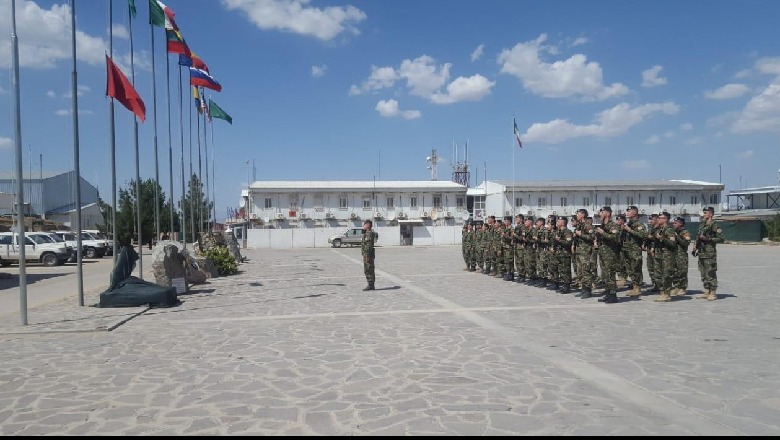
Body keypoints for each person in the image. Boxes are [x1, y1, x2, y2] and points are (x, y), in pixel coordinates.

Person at [695, 206, 724, 300]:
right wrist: (695, 245)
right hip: (701, 252)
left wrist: (709, 239)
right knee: (703, 272)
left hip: (709, 253)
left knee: (710, 272)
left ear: (711, 214)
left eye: (705, 213)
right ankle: (706, 290)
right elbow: (698, 236)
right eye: (703, 212)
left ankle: (713, 292)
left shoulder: (714, 225)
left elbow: (721, 238)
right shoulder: (702, 224)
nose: (704, 214)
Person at [593, 206, 621, 304]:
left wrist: (603, 233)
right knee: (605, 275)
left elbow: (616, 238)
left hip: (610, 253)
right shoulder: (601, 225)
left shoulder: (612, 225)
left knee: (610, 274)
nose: (600, 214)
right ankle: (608, 293)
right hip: (602, 253)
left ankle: (613, 295)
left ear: (608, 214)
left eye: (602, 212)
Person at [622, 206, 647, 297]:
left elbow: (643, 235)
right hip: (627, 250)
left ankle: (638, 287)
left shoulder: (638, 224)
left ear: (634, 213)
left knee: (636, 269)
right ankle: (634, 286)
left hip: (635, 250)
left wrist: (630, 231)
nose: (626, 213)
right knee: (630, 269)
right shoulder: (629, 224)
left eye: (629, 211)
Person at [671, 216, 691, 297]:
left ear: (681, 223)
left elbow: (686, 243)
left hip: (681, 255)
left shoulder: (684, 232)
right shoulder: (674, 231)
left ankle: (682, 288)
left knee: (682, 272)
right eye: (673, 223)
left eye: (675, 223)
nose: (673, 224)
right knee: (674, 272)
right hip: (674, 254)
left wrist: (677, 237)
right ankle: (676, 286)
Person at [361, 219, 378, 291]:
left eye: (364, 224)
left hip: (368, 255)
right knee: (369, 269)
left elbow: (368, 245)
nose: (363, 226)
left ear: (368, 225)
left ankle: (371, 284)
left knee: (368, 269)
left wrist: (367, 255)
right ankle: (371, 284)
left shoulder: (369, 234)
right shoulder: (368, 233)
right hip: (367, 254)